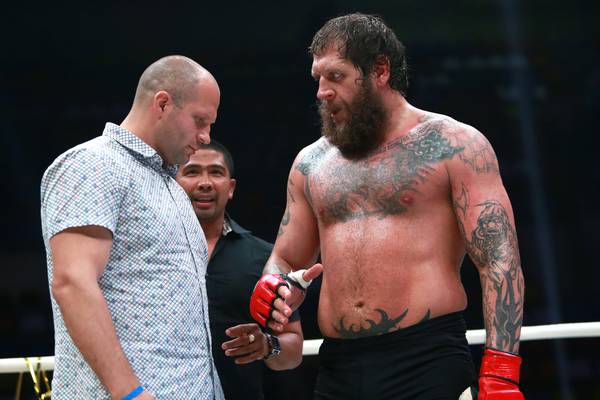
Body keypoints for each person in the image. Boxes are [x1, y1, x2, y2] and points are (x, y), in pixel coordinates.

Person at [249, 13, 525, 400]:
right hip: (339, 367)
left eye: (336, 76)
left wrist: (501, 371)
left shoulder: (453, 145)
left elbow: (499, 260)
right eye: (318, 79)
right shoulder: (310, 163)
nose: (322, 92)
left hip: (426, 360)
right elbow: (285, 259)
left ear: (380, 70)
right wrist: (274, 286)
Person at [40, 55, 224, 400]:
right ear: (163, 104)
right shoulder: (94, 164)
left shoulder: (172, 188)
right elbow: (72, 283)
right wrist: (128, 391)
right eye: (200, 121)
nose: (205, 137)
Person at [175, 141, 304, 400]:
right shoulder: (149, 254)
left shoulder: (265, 258)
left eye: (216, 172)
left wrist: (266, 345)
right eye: (192, 172)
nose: (205, 183)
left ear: (231, 188)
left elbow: (294, 347)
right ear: (172, 184)